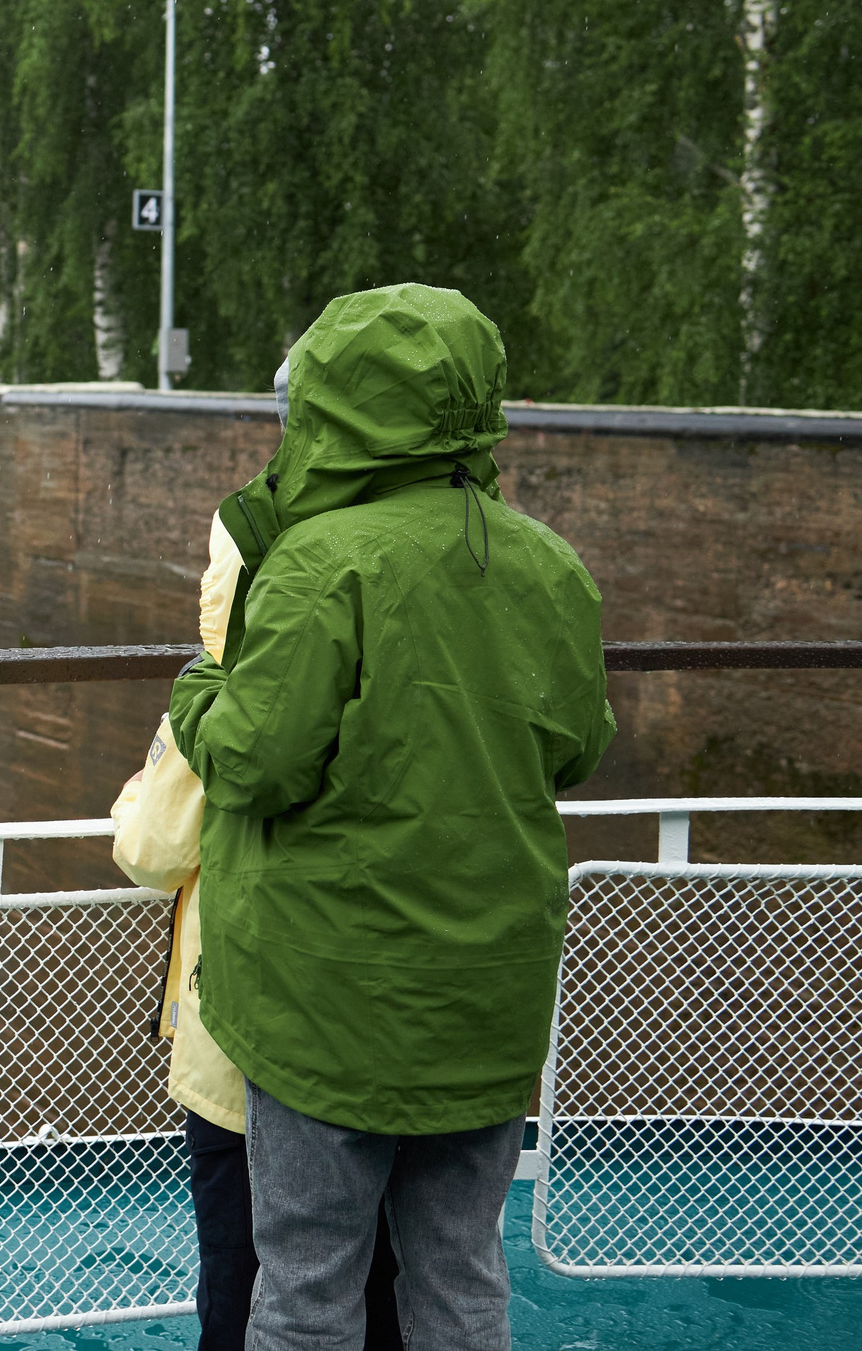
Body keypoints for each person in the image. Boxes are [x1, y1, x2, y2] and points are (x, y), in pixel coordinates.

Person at [169, 284, 616, 1351]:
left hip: (325, 997)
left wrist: (197, 688)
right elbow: (576, 745)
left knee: (307, 1284)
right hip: (484, 1000)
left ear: (330, 406)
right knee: (462, 1275)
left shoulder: (319, 563)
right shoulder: (546, 563)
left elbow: (253, 759)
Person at [111, 495, 398, 1351]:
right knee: (382, 1277)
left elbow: (151, 846)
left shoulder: (232, 704)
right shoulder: (397, 675)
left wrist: (148, 777)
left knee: (241, 1273)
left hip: (237, 1051)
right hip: (393, 1041)